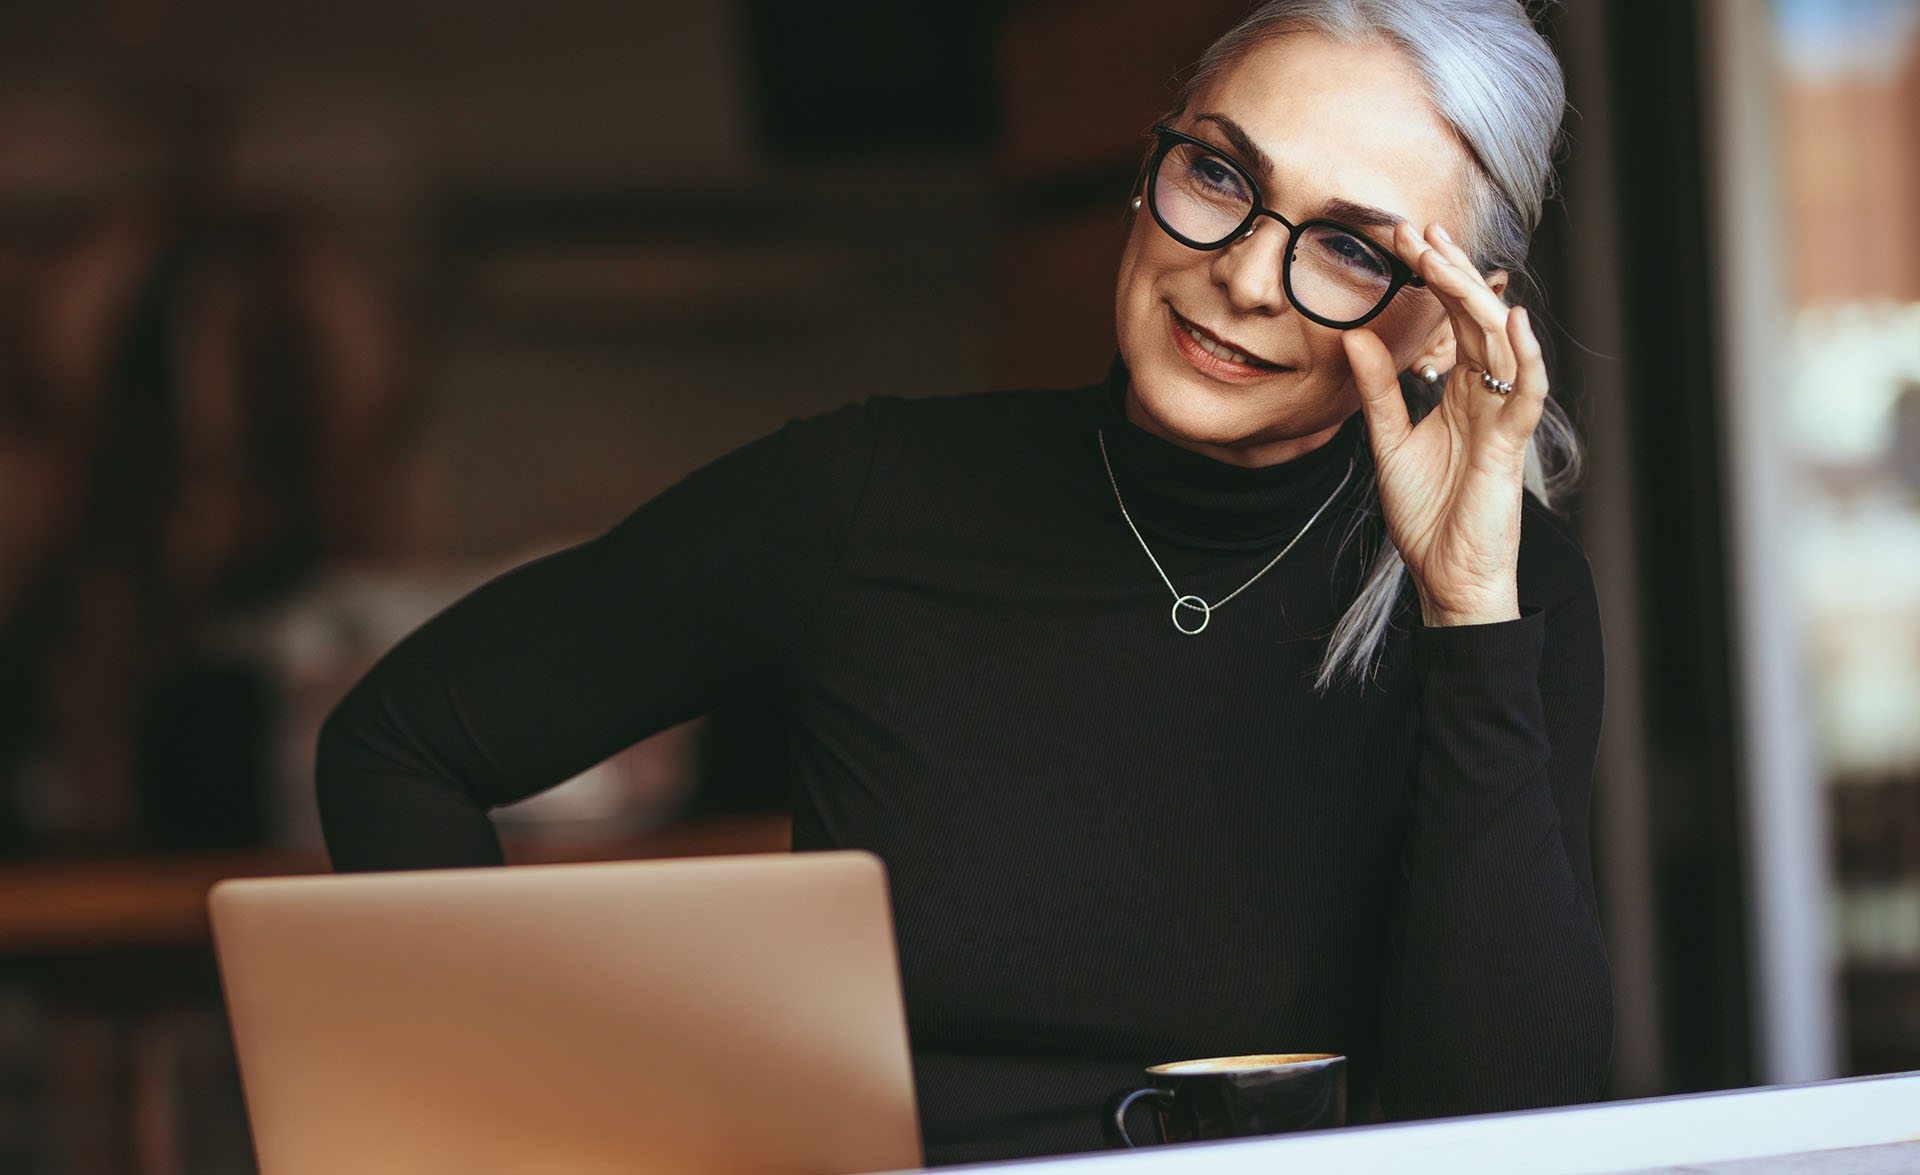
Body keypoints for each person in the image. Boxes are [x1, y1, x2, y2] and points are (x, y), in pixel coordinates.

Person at [317, 0, 1611, 1164]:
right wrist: (503, 1127)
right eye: (1220, 175)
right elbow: (400, 745)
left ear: (1443, 317)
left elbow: (1502, 1129)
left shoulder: (1505, 604)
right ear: (1152, 165)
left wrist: (1467, 612)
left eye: (1347, 248)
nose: (1242, 275)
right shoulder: (865, 498)